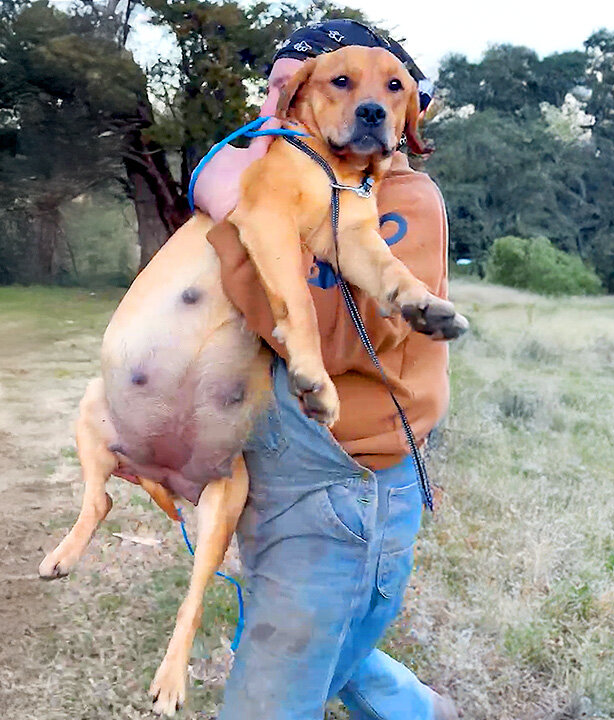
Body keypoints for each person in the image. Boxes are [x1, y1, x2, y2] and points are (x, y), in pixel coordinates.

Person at [196, 19, 459, 720]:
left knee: (274, 690)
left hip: (349, 487)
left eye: (385, 93)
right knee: (326, 651)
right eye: (274, 90)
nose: (268, 110)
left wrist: (232, 214)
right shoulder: (288, 183)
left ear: (406, 114)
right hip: (282, 468)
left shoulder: (402, 200)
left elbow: (340, 339)